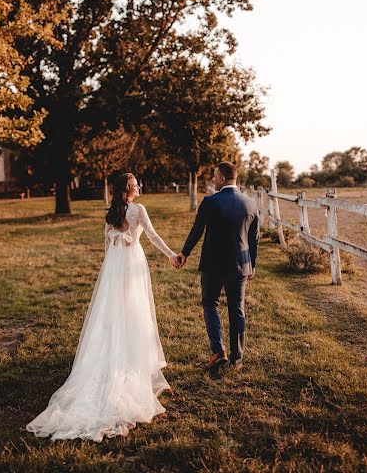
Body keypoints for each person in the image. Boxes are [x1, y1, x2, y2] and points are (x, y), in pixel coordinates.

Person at [26, 173, 178, 442]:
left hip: (115, 268)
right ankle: (132, 364)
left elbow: (107, 246)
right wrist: (172, 256)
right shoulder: (139, 210)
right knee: (135, 314)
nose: (139, 187)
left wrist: (112, 269)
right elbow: (152, 236)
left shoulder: (112, 213)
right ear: (128, 189)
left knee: (114, 315)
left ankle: (113, 356)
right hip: (131, 266)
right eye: (136, 185)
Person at [176, 162, 259, 373]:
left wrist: (184, 253)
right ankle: (237, 359)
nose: (213, 179)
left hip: (213, 264)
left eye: (214, 176)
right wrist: (253, 264)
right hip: (241, 265)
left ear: (222, 178)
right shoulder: (250, 204)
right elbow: (253, 239)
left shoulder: (210, 202)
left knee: (210, 303)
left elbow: (197, 230)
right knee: (237, 309)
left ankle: (218, 351)